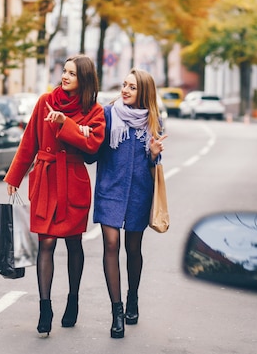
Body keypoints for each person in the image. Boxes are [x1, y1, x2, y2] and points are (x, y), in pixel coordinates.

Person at [4, 54, 105, 337]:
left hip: (73, 181)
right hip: (46, 180)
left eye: (72, 73)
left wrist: (66, 124)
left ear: (84, 79)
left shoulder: (94, 111)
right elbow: (29, 142)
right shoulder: (45, 101)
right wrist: (15, 175)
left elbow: (93, 148)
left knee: (74, 243)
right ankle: (45, 308)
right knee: (45, 244)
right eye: (64, 71)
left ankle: (73, 300)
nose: (65, 76)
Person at [90, 68, 166, 338]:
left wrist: (154, 155)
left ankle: (132, 296)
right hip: (110, 189)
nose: (125, 90)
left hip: (138, 193)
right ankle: (117, 311)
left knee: (133, 248)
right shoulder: (108, 114)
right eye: (124, 85)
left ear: (143, 91)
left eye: (132, 87)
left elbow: (153, 165)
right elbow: (94, 148)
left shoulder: (153, 121)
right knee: (111, 245)